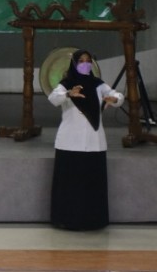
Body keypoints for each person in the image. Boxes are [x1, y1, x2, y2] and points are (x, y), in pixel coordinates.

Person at [48, 49, 122, 231]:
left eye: (88, 61)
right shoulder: (66, 84)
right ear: (74, 63)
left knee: (91, 186)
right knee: (70, 187)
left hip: (94, 142)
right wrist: (68, 94)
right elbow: (53, 98)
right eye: (81, 61)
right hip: (70, 143)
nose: (85, 64)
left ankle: (92, 221)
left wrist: (114, 99)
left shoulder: (98, 85)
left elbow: (118, 95)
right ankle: (66, 220)